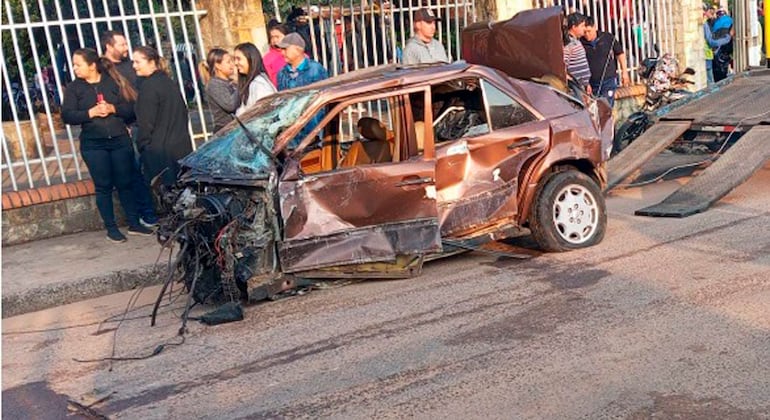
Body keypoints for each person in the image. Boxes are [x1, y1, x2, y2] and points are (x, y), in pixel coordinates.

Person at [61, 48, 154, 242]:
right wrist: (90, 113)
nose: (75, 68)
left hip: (119, 139)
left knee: (125, 183)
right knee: (103, 185)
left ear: (92, 65)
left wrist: (113, 108)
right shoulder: (74, 88)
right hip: (94, 144)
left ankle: (134, 222)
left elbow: (131, 109)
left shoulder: (112, 81)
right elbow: (67, 115)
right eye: (74, 65)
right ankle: (111, 228)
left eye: (78, 64)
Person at [101, 30, 158, 228]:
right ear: (109, 46)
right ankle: (146, 213)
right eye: (121, 44)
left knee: (150, 168)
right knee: (135, 173)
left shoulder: (130, 66)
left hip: (144, 120)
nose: (126, 48)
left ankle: (157, 209)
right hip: (126, 125)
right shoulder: (105, 70)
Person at [132, 46, 193, 187]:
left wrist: (143, 146)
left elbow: (146, 122)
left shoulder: (149, 87)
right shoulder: (168, 82)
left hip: (160, 152)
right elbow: (183, 113)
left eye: (138, 62)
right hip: (180, 147)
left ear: (151, 62)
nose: (134, 66)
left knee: (165, 196)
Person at [581, 16, 629, 107]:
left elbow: (620, 54)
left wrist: (624, 72)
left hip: (608, 79)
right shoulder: (581, 43)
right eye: (585, 32)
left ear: (595, 27)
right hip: (591, 82)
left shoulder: (607, 37)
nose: (587, 35)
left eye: (589, 31)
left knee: (606, 106)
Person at [201, 48, 239, 132]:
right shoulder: (215, 84)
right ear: (218, 66)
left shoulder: (229, 82)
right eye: (228, 62)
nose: (232, 65)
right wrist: (240, 86)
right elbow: (230, 105)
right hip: (225, 129)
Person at [233, 42, 276, 116]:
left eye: (239, 59)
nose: (235, 63)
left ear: (250, 58)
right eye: (234, 59)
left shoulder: (260, 85)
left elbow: (266, 114)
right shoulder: (251, 83)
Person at [563, 12, 593, 95]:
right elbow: (563, 65)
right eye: (582, 26)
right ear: (574, 27)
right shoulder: (568, 44)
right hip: (575, 87)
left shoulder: (576, 41)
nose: (584, 29)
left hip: (581, 86)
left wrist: (586, 84)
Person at [264, 21, 289, 87]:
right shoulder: (267, 59)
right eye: (272, 37)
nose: (274, 40)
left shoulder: (295, 52)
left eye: (277, 37)